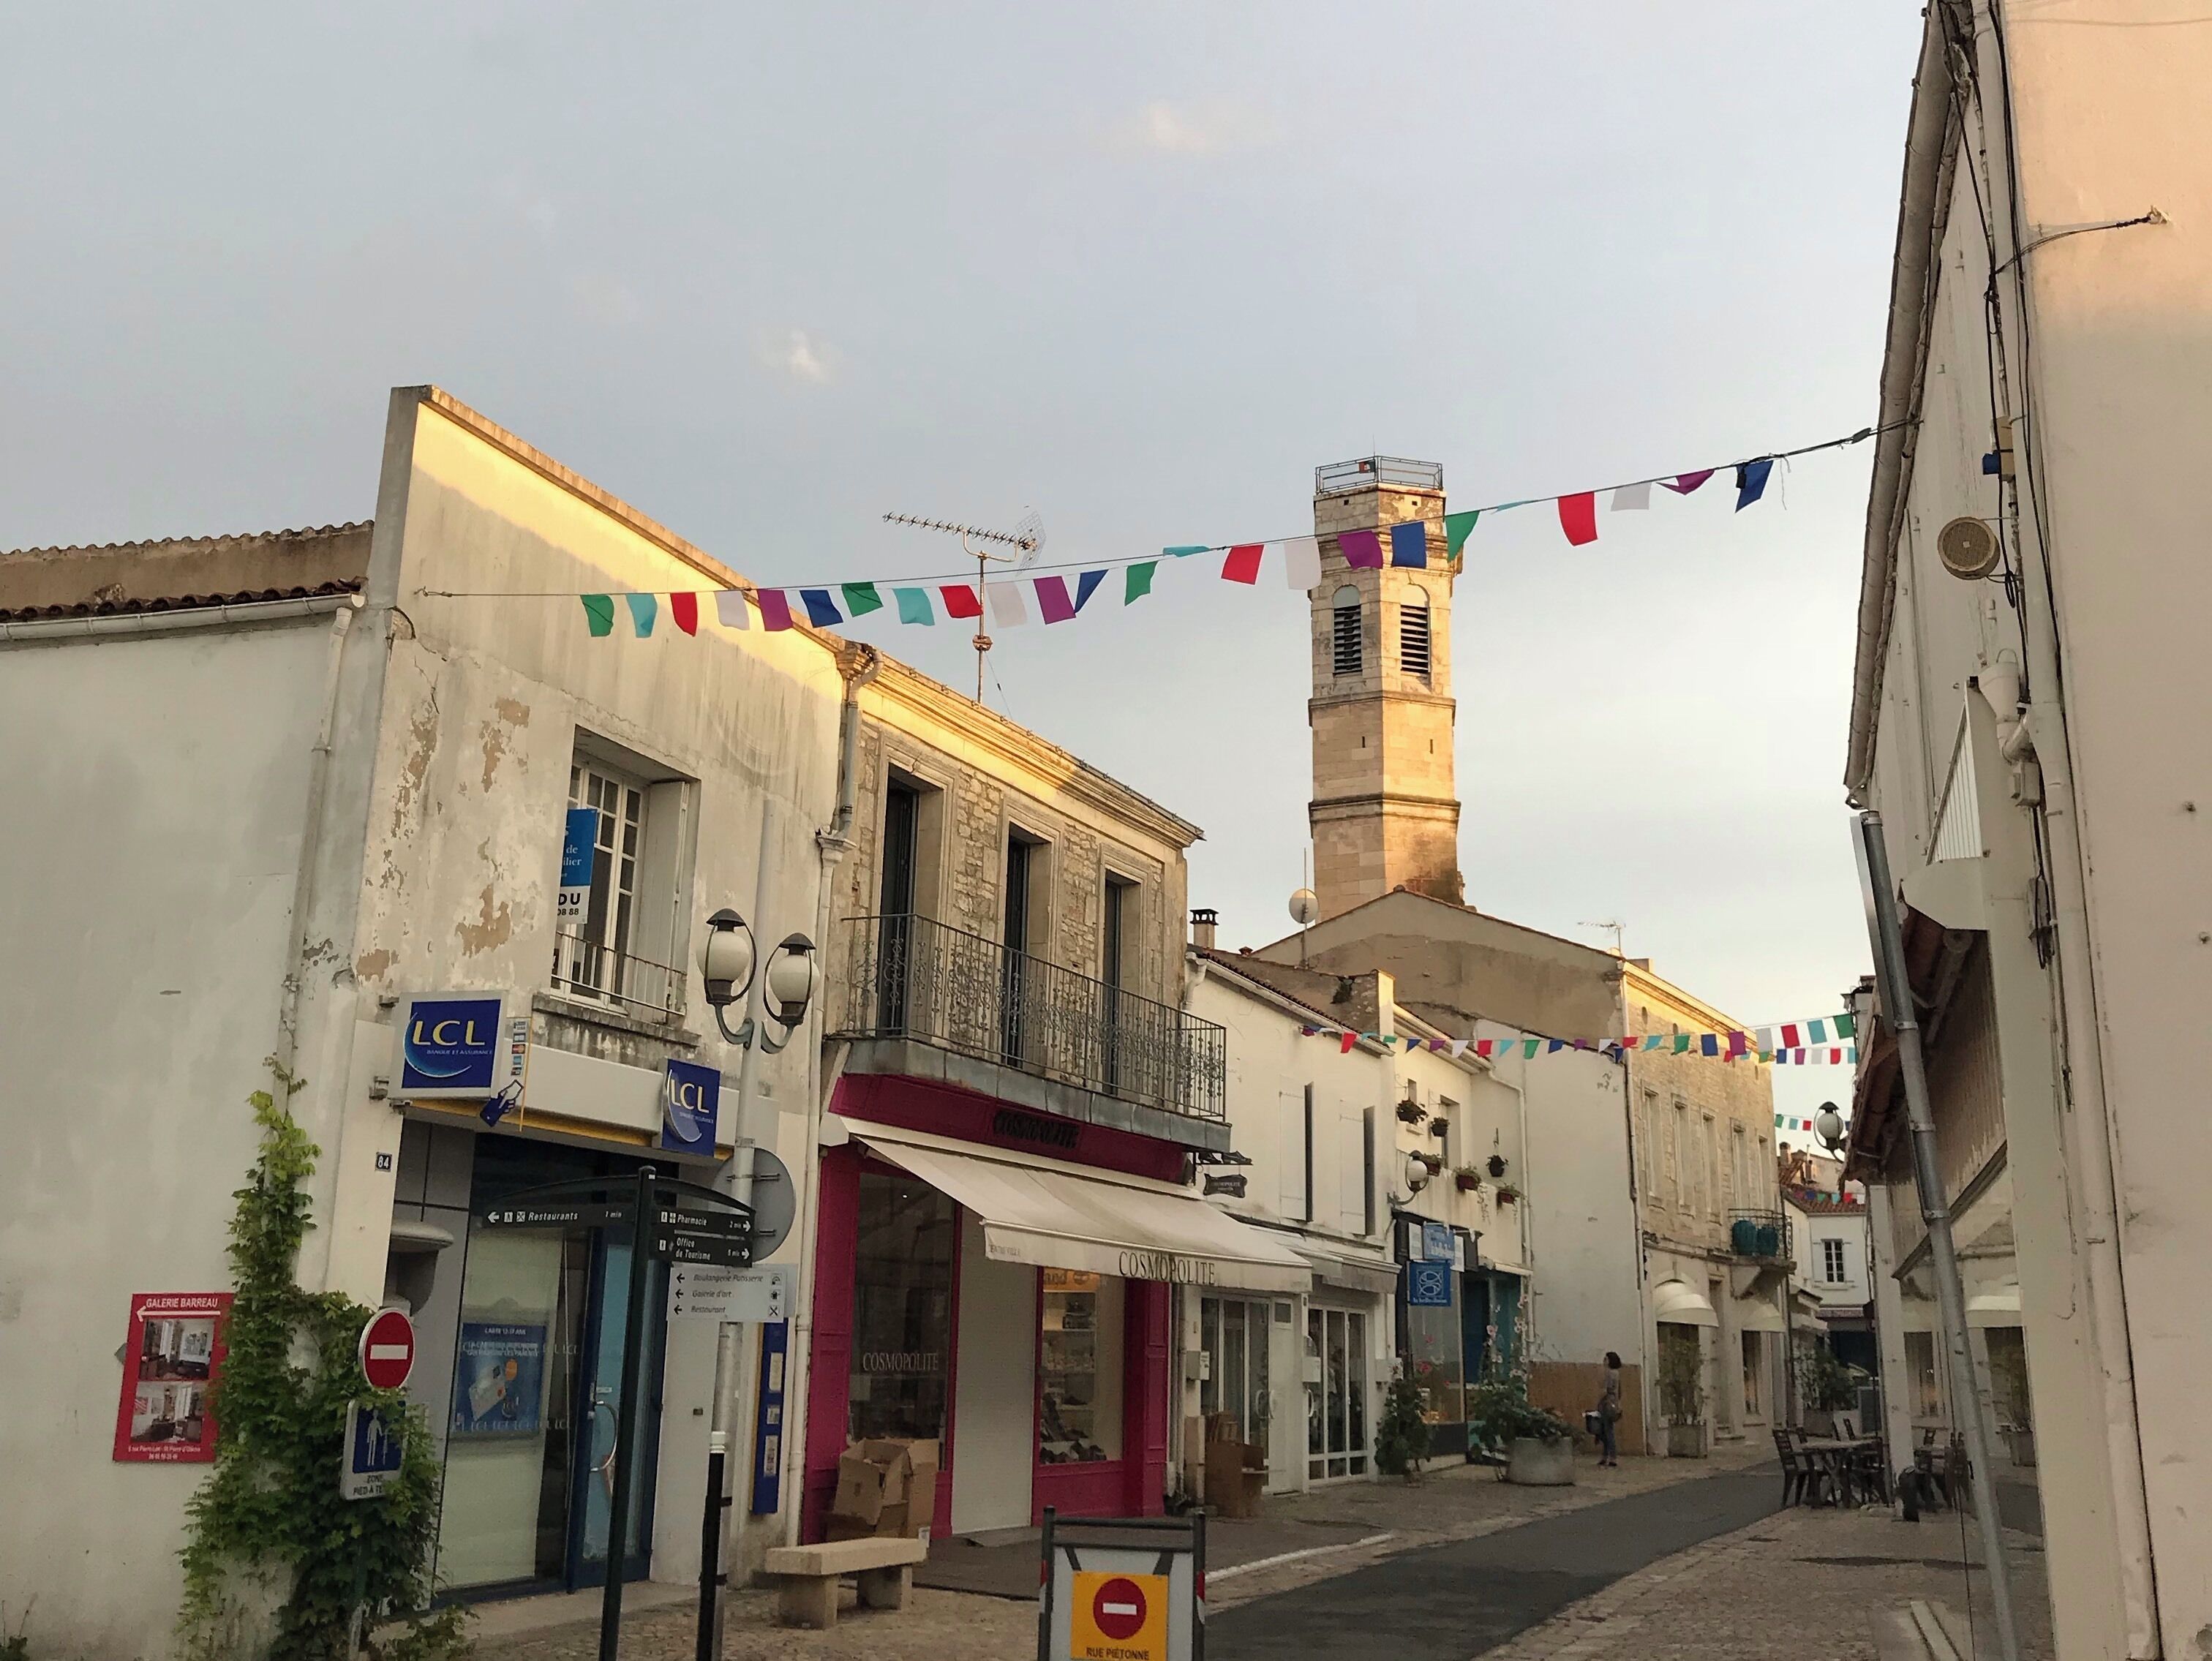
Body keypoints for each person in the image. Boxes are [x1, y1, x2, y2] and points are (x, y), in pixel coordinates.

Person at [1596, 1351, 1624, 1466]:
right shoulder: (1617, 1373)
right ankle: (1607, 1455)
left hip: (1607, 1402)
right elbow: (1620, 1390)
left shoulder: (1609, 1374)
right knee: (1607, 1429)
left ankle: (1610, 1456)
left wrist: (1599, 1401)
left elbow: (1606, 1390)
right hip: (1613, 1402)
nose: (1604, 1361)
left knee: (1606, 1430)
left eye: (1606, 1359)